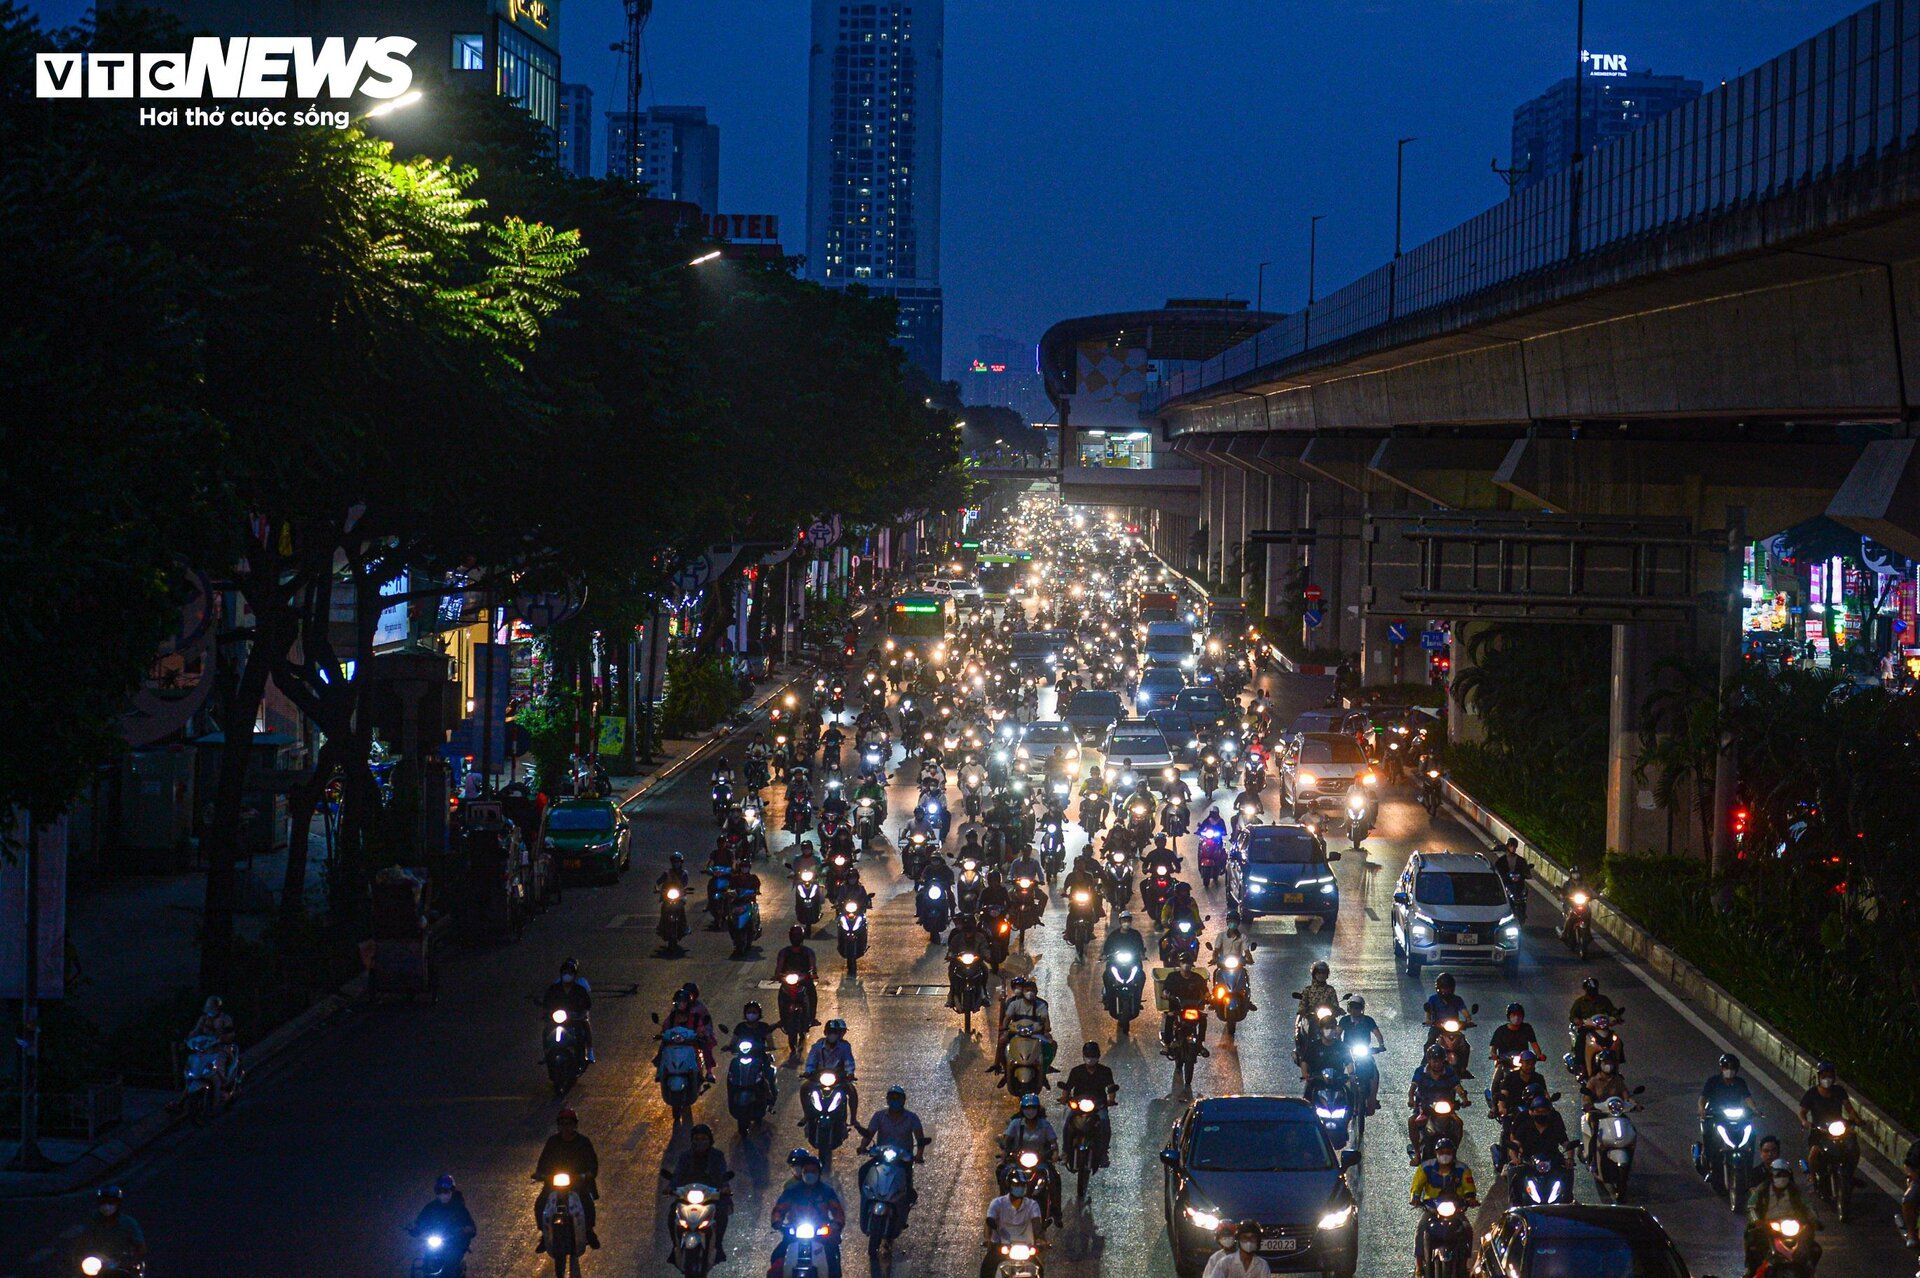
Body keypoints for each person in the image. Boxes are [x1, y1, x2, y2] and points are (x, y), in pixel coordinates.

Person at [659, 1123, 733, 1261]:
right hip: (687, 1192)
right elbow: (677, 1174)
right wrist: (671, 1187)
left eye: (704, 1138)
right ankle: (675, 1247)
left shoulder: (717, 1156)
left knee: (722, 1213)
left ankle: (718, 1245)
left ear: (710, 1140)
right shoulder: (685, 1156)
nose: (700, 1142)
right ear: (692, 1140)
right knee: (672, 1214)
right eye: (697, 1139)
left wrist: (724, 1187)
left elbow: (722, 1173)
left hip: (711, 1192)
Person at [771, 1149, 845, 1278]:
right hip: (794, 1231)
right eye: (806, 1171)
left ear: (818, 1173)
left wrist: (837, 1224)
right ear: (802, 1173)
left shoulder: (827, 1191)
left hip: (821, 1233)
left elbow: (837, 1210)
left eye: (813, 1171)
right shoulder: (792, 1191)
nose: (810, 1174)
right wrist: (777, 1221)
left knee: (833, 1263)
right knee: (776, 1257)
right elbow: (779, 1209)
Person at [532, 1109, 599, 1249]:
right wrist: (540, 1174)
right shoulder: (553, 1142)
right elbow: (543, 1161)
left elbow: (592, 1163)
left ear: (575, 1125)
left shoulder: (583, 1142)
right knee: (540, 1204)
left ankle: (589, 1231)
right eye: (562, 1124)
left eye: (569, 1124)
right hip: (554, 1183)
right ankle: (545, 1234)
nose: (565, 1127)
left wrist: (587, 1174)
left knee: (587, 1203)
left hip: (578, 1183)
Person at [1408, 1138, 1478, 1269]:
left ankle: (1464, 1263)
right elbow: (1416, 1186)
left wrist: (1471, 1198)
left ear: (1453, 1153)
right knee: (1421, 1228)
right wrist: (1415, 1198)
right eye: (1441, 1152)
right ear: (1436, 1153)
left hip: (1456, 1208)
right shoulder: (1426, 1167)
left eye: (1448, 1151)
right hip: (1432, 1207)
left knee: (1467, 1229)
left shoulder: (1462, 1169)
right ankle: (1418, 1265)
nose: (1444, 1154)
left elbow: (1469, 1187)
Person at [1745, 1158, 1821, 1273]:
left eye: (1784, 1174)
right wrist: (1756, 1221)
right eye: (1778, 1174)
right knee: (1753, 1245)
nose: (1781, 1177)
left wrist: (1814, 1220)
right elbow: (1751, 1207)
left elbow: (1808, 1206)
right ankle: (1752, 1271)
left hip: (1794, 1226)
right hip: (1767, 1226)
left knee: (1815, 1249)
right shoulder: (1762, 1189)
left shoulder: (1795, 1190)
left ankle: (1808, 1268)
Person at [1061, 1040, 1120, 1170]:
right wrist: (1064, 1098)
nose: (1090, 1059)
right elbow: (1067, 1087)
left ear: (1098, 1057)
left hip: (1098, 1104)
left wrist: (1111, 1099)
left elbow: (1111, 1087)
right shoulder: (1076, 1071)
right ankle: (1065, 1151)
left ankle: (1103, 1153)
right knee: (1066, 1121)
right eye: (1088, 1056)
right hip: (1077, 1103)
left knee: (1104, 1122)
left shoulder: (1105, 1071)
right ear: (1083, 1056)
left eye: (1093, 1056)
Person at [1798, 1061, 1861, 1179]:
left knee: (1854, 1147)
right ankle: (1813, 1179)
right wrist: (1805, 1122)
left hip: (1838, 1127)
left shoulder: (1839, 1091)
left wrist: (1856, 1118)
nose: (1827, 1079)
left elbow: (1849, 1108)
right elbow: (1802, 1112)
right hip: (1819, 1130)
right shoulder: (1812, 1094)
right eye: (1824, 1076)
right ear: (1819, 1077)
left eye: (1830, 1076)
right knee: (1813, 1154)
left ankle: (1850, 1174)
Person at [1696, 1053, 1757, 1173]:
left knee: (1751, 1133)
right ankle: (1708, 1163)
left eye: (1732, 1068)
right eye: (1726, 1067)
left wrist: (1754, 1109)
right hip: (1714, 1115)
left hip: (1735, 1116)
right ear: (1721, 1068)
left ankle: (1748, 1165)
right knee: (1708, 1135)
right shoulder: (1713, 1081)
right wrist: (1701, 1108)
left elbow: (1747, 1097)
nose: (1729, 1070)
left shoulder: (1740, 1082)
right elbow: (1703, 1097)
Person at [980, 1179, 1047, 1278]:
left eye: (1022, 1185)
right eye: (1017, 1184)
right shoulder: (997, 1203)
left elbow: (1036, 1223)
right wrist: (988, 1239)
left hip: (1027, 1249)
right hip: (1000, 1247)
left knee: (1039, 1270)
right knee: (986, 1270)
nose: (1020, 1187)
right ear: (1009, 1185)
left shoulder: (1032, 1205)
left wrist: (1041, 1239)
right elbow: (989, 1220)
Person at [409, 1173, 479, 1267]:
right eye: (439, 1192)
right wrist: (414, 1228)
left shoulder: (459, 1209)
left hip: (455, 1244)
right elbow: (420, 1222)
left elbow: (471, 1226)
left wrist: (466, 1230)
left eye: (446, 1191)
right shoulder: (430, 1208)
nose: (443, 1195)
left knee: (451, 1264)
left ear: (452, 1191)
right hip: (436, 1243)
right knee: (427, 1262)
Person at [860, 1085, 931, 1174]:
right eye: (892, 1098)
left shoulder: (912, 1118)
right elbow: (869, 1134)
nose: (895, 1101)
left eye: (898, 1098)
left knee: (907, 1184)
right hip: (882, 1157)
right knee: (863, 1172)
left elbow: (920, 1138)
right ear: (888, 1100)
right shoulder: (879, 1116)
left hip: (903, 1159)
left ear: (904, 1100)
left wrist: (919, 1155)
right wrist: (862, 1147)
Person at [1408, 1045, 1463, 1160]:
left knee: (1458, 1123)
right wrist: (1411, 1099)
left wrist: (1464, 1098)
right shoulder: (1421, 1071)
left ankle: (1455, 1151)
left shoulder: (1449, 1071)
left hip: (1446, 1107)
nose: (1437, 1064)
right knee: (1412, 1122)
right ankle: (1417, 1153)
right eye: (1434, 1061)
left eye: (1439, 1061)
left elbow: (1457, 1087)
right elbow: (1413, 1088)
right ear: (1429, 1060)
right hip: (1424, 1107)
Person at [73, 1187, 146, 1272]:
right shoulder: (92, 1220)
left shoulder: (128, 1223)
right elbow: (81, 1240)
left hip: (122, 1265)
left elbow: (140, 1247)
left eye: (111, 1203)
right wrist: (80, 1256)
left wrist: (129, 1261)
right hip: (95, 1264)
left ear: (117, 1204)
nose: (107, 1207)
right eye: (103, 1202)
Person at [1505, 1095, 1575, 1180]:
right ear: (1532, 1112)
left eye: (1544, 1111)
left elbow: (1566, 1143)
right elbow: (1516, 1144)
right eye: (1538, 1111)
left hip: (1553, 1163)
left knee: (1566, 1178)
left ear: (1549, 1112)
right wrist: (1515, 1158)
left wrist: (1570, 1158)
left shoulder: (1555, 1127)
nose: (1541, 1114)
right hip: (1529, 1164)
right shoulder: (1525, 1127)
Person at [1580, 1052, 1634, 1161]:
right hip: (1598, 1113)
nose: (1608, 1065)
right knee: (1594, 1133)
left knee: (1631, 1129)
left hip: (1615, 1112)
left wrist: (1634, 1104)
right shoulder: (1594, 1080)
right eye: (1605, 1062)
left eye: (1610, 1062)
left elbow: (1626, 1095)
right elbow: (1586, 1098)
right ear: (1600, 1064)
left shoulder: (1618, 1080)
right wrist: (1588, 1105)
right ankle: (1591, 1159)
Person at [805, 1019, 859, 1123]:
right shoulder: (817, 1047)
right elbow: (811, 1060)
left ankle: (853, 1118)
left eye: (834, 1033)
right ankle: (807, 1115)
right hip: (819, 1076)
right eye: (830, 1033)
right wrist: (808, 1071)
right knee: (804, 1088)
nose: (832, 1035)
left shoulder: (844, 1047)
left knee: (852, 1091)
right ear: (825, 1033)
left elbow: (849, 1061)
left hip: (839, 1077)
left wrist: (850, 1073)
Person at [1339, 994, 1386, 1113]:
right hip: (1347, 1051)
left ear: (1362, 1009)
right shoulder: (1344, 1020)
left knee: (1374, 1073)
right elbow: (1337, 1034)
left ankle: (1373, 1099)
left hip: (1364, 1050)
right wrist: (1337, 1046)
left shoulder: (1368, 1020)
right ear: (1349, 1009)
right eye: (1352, 1008)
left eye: (1357, 1008)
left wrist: (1381, 1046)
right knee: (1338, 1070)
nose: (1355, 1011)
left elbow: (1377, 1034)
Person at [543, 959, 594, 1064]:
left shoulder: (580, 988)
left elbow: (586, 1003)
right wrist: (546, 1012)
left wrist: (581, 1014)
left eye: (570, 973)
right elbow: (548, 1001)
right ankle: (546, 1054)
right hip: (559, 1016)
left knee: (582, 1031)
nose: (567, 975)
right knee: (546, 1031)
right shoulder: (555, 988)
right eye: (565, 973)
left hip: (575, 1017)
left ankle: (588, 1053)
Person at [1161, 952, 1212, 1057]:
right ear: (1179, 963)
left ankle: (1200, 1043)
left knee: (1203, 1019)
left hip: (1193, 1007)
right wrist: (1166, 994)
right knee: (1170, 1017)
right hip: (1177, 1007)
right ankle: (1167, 1044)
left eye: (1188, 962)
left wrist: (1208, 997)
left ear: (1192, 964)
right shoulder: (1172, 977)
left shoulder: (1197, 978)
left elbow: (1205, 990)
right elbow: (1165, 990)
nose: (1186, 965)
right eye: (1184, 962)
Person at [1202, 1221, 1272, 1278]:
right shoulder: (1224, 1263)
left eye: (1252, 1237)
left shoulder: (1262, 1265)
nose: (1249, 1241)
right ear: (1239, 1240)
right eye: (1245, 1237)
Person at [1493, 1052, 1549, 1122]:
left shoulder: (1538, 1078)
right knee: (1506, 1130)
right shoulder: (1511, 1077)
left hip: (1534, 1112)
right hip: (1513, 1111)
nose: (1530, 1066)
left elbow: (1545, 1094)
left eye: (1532, 1063)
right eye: (1527, 1063)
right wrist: (1502, 1107)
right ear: (1521, 1062)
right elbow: (1504, 1093)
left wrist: (1548, 1106)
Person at [1421, 973, 1469, 1044]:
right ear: (1439, 988)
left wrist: (1468, 1019)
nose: (1445, 990)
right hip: (1437, 1027)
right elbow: (1428, 1012)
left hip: (1454, 1029)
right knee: (1430, 1041)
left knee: (1465, 1044)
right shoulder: (1433, 999)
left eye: (1448, 988)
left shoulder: (1457, 999)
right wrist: (1428, 1020)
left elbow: (1464, 1011)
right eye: (1443, 988)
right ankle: (1427, 1055)